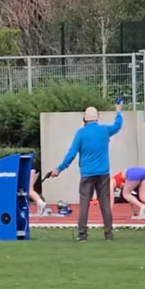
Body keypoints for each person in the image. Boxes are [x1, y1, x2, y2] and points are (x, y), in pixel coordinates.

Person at [50, 101, 123, 241]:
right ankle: (108, 234)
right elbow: (118, 125)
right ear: (97, 118)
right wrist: (118, 111)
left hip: (87, 173)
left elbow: (71, 154)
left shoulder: (81, 133)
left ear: (85, 119)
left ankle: (82, 234)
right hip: (103, 173)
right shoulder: (104, 130)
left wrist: (59, 169)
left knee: (84, 204)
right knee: (105, 204)